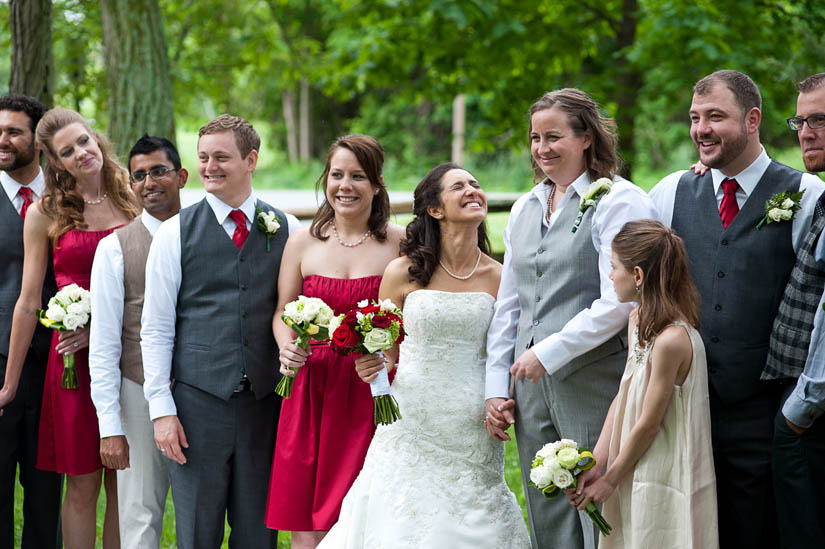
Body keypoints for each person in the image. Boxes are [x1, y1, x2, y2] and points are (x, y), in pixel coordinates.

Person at [649, 69, 825, 548]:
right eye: (694, 117)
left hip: (766, 404)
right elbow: (641, 283)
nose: (700, 129)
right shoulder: (671, 191)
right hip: (687, 407)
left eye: (715, 117)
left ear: (752, 120)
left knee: (759, 528)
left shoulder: (806, 194)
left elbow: (814, 299)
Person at [319, 163, 530, 548]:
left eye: (476, 184)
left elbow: (505, 350)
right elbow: (385, 350)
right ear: (434, 209)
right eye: (459, 187)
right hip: (412, 416)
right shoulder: (401, 272)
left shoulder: (501, 277)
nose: (472, 191)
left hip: (471, 419)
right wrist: (372, 365)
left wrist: (501, 399)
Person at [483, 88, 656, 549]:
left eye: (554, 136)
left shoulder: (620, 200)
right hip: (531, 388)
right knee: (547, 506)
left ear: (586, 138)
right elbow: (509, 306)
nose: (542, 148)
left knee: (597, 504)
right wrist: (497, 388)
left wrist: (550, 351)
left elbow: (622, 300)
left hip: (593, 381)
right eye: (536, 138)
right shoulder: (525, 207)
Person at [141, 114, 300, 548]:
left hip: (265, 405)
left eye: (222, 157)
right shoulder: (174, 233)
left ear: (251, 160)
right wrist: (161, 409)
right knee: (197, 533)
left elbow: (295, 310)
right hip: (196, 406)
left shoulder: (288, 229)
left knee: (258, 534)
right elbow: (155, 329)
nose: (210, 167)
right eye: (204, 157)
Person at [0, 107, 139, 548]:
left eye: (83, 141)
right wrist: (9, 384)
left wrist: (100, 319)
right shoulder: (45, 212)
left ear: (96, 139)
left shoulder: (131, 201)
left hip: (127, 357)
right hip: (73, 363)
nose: (80, 153)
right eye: (66, 151)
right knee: (82, 484)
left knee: (123, 483)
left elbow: (147, 284)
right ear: (54, 163)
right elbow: (27, 302)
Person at [265, 134, 404, 549]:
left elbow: (409, 317)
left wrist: (389, 360)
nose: (345, 185)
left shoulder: (399, 243)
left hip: (369, 387)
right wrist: (286, 347)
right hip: (310, 387)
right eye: (337, 174)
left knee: (361, 511)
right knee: (305, 518)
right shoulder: (302, 241)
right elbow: (281, 310)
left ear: (377, 183)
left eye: (357, 176)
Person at [568, 219, 718, 548]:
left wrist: (610, 480)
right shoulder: (637, 320)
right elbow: (624, 394)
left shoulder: (672, 340)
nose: (609, 275)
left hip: (663, 461)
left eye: (614, 267)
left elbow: (650, 424)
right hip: (629, 456)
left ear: (637, 275)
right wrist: (597, 461)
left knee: (655, 532)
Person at [89, 135, 188, 548]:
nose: (149, 182)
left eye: (159, 171)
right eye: (139, 176)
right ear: (131, 185)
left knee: (199, 511)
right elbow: (104, 344)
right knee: (139, 512)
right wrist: (110, 426)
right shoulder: (114, 248)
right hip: (138, 391)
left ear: (181, 176)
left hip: (204, 391)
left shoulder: (203, 232)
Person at [0, 94, 62, 548]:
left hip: (57, 366)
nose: (2, 140)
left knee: (46, 493)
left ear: (36, 141)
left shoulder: (68, 197)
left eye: (13, 131)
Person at [767, 72, 825, 547]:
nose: (806, 132)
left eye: (820, 120)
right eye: (800, 121)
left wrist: (800, 409)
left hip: (812, 411)